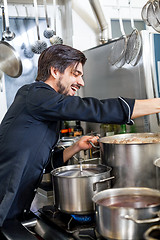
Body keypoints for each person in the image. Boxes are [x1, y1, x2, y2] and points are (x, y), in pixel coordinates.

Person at [0, 44, 160, 227]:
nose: (82, 82)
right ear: (55, 71)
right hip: (4, 203)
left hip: (16, 207)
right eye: (76, 74)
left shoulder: (46, 108)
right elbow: (92, 108)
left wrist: (76, 147)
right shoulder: (35, 94)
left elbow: (41, 164)